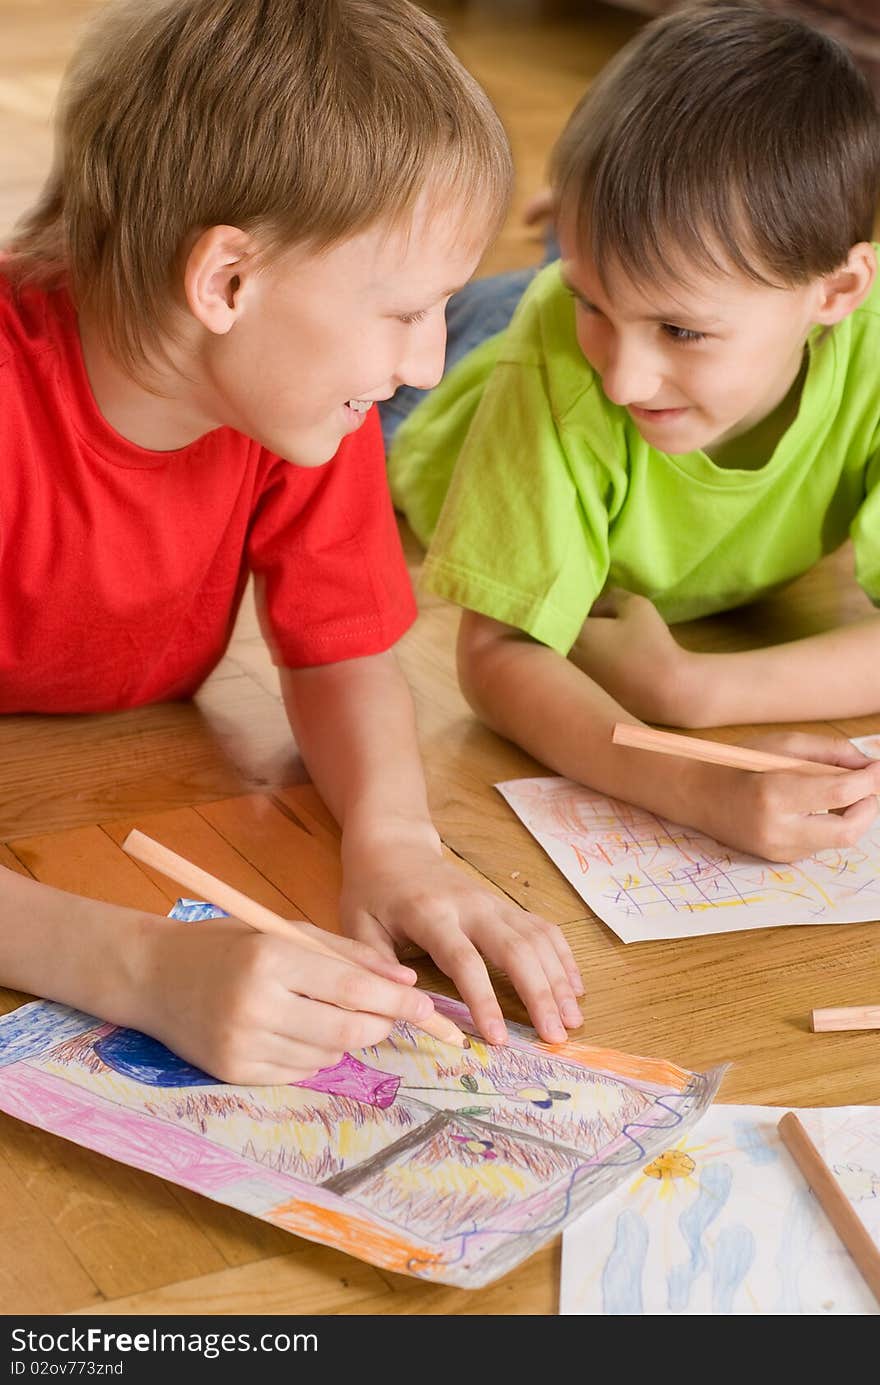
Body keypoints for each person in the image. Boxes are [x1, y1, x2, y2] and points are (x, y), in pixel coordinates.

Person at [0, 0, 585, 1084]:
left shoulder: (303, 404)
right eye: (407, 312)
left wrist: (396, 839)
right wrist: (135, 966)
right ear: (226, 281)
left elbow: (343, 647)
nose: (423, 366)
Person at [387, 0, 880, 865]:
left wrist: (687, 688)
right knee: (469, 324)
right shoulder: (565, 355)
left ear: (837, 295)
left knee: (584, 289)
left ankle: (569, 248)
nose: (623, 380)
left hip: (561, 308)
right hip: (448, 392)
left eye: (683, 331)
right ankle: (561, 255)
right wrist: (690, 782)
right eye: (597, 306)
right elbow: (498, 652)